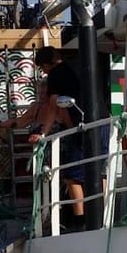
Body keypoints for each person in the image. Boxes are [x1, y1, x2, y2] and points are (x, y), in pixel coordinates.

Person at [31, 45, 86, 230]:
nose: (43, 71)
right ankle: (101, 213)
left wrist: (43, 133)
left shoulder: (56, 75)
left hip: (80, 127)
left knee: (72, 177)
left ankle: (80, 220)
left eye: (42, 67)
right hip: (98, 122)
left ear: (47, 64)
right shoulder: (73, 69)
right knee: (98, 171)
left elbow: (55, 106)